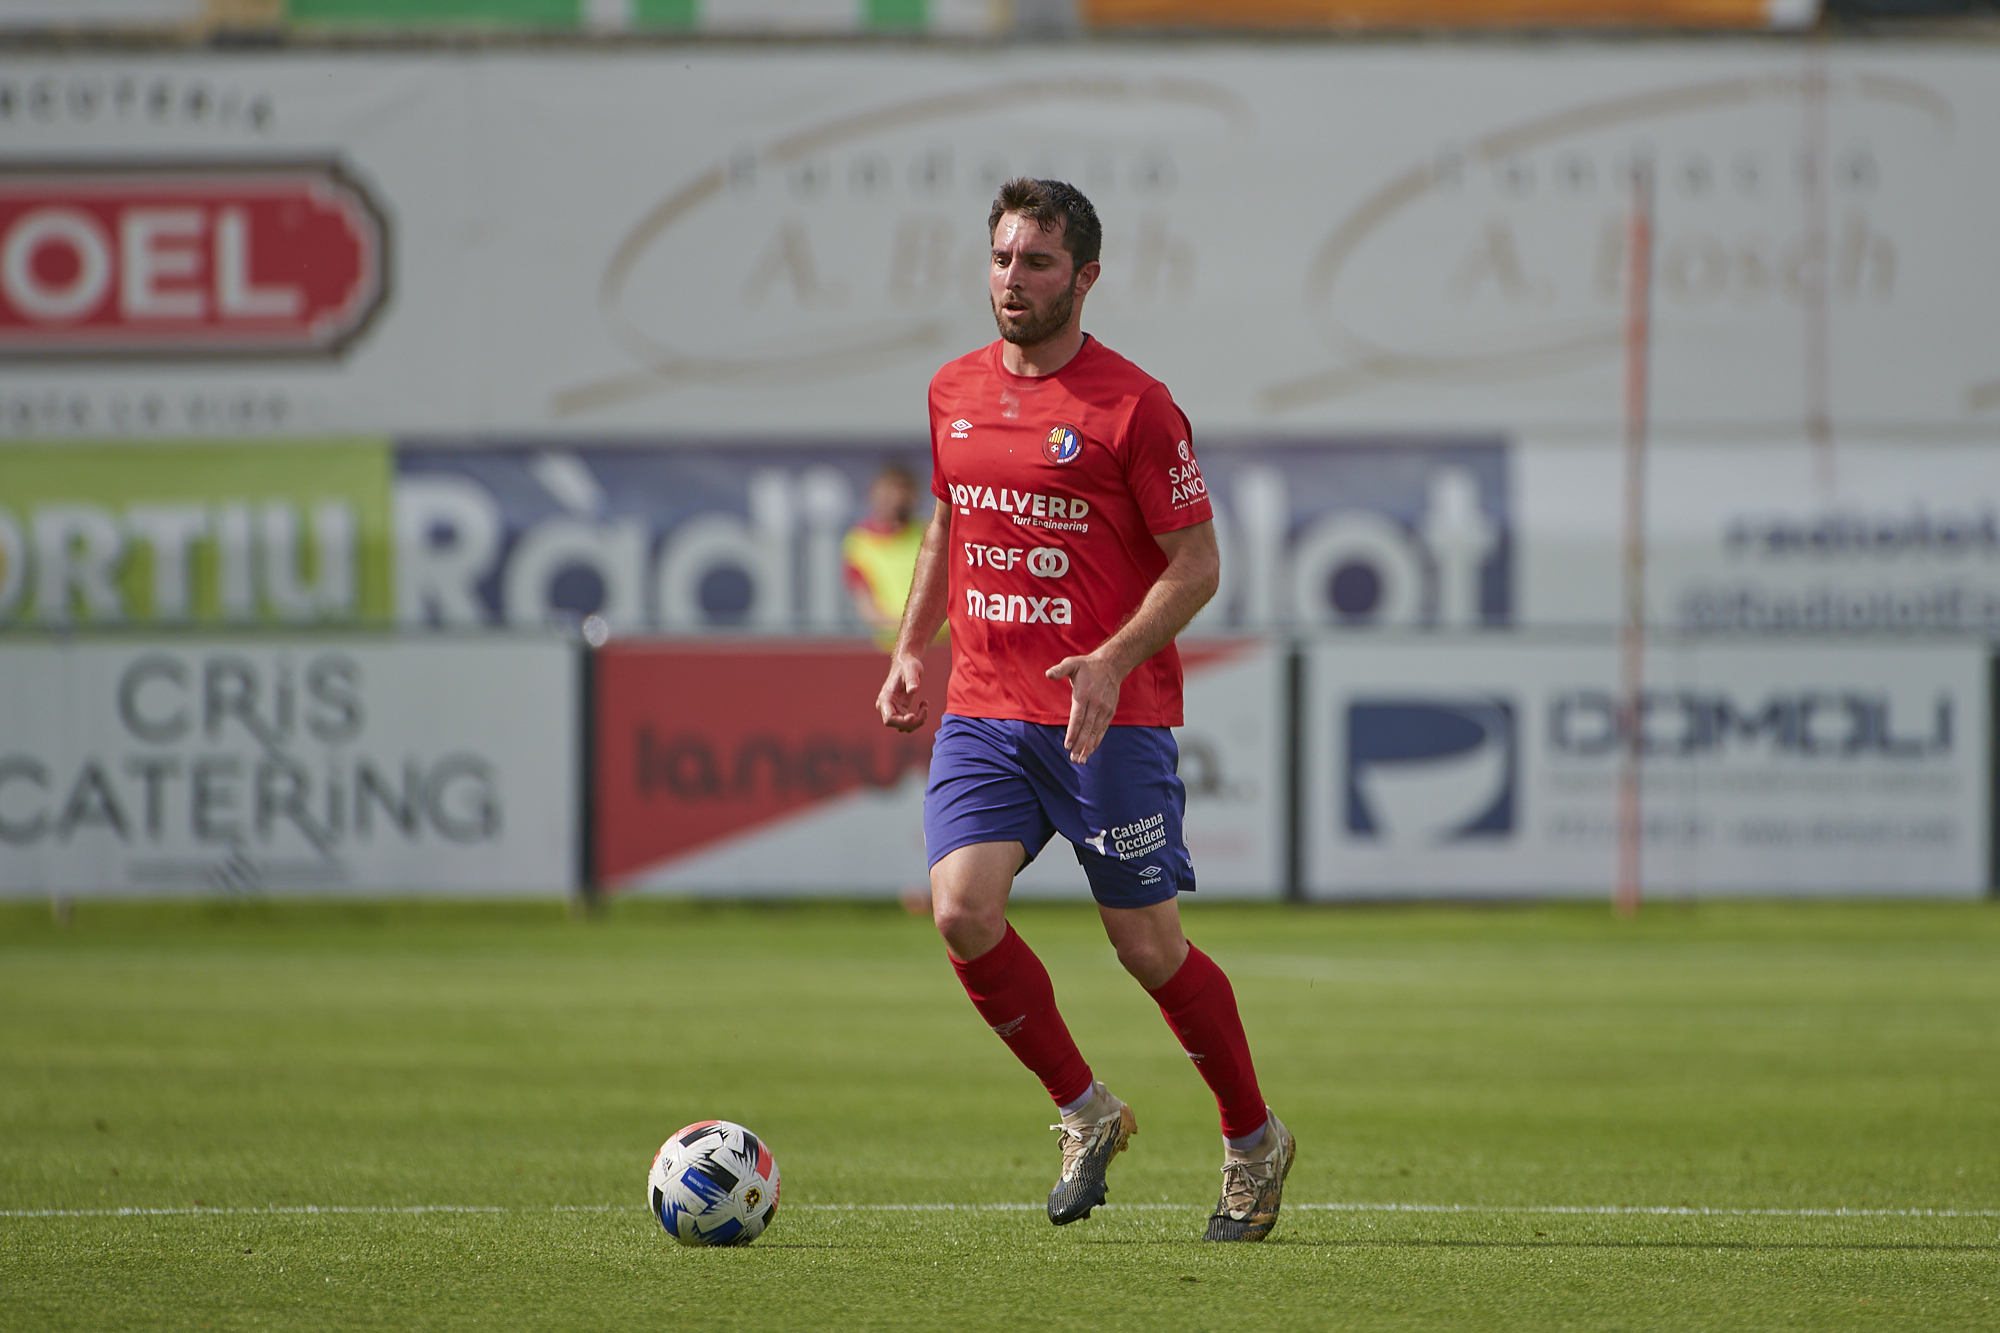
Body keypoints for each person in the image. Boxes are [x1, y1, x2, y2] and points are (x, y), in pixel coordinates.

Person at [873, 177, 1294, 1242]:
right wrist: (909, 650)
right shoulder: (952, 391)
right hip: (984, 708)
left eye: (1039, 263)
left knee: (1147, 948)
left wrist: (1108, 659)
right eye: (1003, 259)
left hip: (1110, 716)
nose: (1014, 281)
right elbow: (945, 526)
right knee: (961, 912)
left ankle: (1252, 1139)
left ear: (1085, 277)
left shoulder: (1135, 407)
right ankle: (1084, 1110)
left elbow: (1197, 565)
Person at [843, 464, 927, 649]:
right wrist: (908, 626)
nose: (896, 499)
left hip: (942, 644)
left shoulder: (928, 533)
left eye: (903, 491)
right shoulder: (860, 542)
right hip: (893, 647)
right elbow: (867, 608)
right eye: (888, 493)